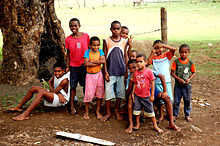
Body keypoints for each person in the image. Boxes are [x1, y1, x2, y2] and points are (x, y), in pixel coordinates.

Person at [125, 59, 180, 133]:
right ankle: (131, 124)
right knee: (130, 99)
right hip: (138, 93)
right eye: (130, 69)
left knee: (167, 98)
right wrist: (131, 82)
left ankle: (171, 123)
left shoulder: (148, 71)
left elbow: (162, 76)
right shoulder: (130, 77)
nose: (132, 70)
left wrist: (165, 91)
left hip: (151, 90)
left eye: (134, 67)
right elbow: (128, 92)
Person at [102, 20, 128, 122]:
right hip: (110, 71)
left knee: (120, 93)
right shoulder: (106, 40)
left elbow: (125, 56)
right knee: (108, 93)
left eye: (118, 29)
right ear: (111, 29)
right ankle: (108, 112)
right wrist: (105, 72)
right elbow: (104, 57)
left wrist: (126, 70)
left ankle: (116, 110)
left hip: (121, 71)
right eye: (114, 29)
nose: (116, 31)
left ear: (120, 30)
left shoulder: (124, 41)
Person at [131, 54, 163, 133]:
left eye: (141, 62)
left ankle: (155, 125)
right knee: (137, 111)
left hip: (146, 96)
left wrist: (152, 95)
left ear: (145, 62)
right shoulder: (136, 73)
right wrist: (132, 93)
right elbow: (135, 83)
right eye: (137, 62)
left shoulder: (149, 72)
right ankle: (137, 124)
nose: (139, 64)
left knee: (150, 111)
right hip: (137, 95)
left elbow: (152, 83)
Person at [147, 40, 176, 123]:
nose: (158, 50)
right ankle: (161, 114)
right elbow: (147, 63)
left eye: (160, 48)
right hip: (157, 81)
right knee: (159, 100)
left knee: (169, 98)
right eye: (156, 48)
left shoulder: (166, 55)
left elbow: (174, 49)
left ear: (163, 48)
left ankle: (170, 115)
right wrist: (152, 53)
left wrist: (164, 46)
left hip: (166, 81)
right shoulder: (154, 58)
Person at [65, 18, 90, 115]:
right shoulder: (68, 39)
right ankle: (71, 106)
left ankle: (86, 105)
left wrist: (89, 62)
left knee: (85, 86)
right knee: (73, 86)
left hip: (84, 65)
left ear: (79, 26)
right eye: (71, 26)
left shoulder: (86, 36)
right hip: (73, 65)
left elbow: (89, 50)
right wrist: (68, 66)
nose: (73, 27)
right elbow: (68, 54)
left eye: (75, 25)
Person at [171, 44, 196, 122]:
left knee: (187, 100)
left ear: (188, 52)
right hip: (178, 86)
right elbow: (172, 73)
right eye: (182, 52)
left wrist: (189, 79)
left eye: (185, 52)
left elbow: (193, 72)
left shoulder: (190, 63)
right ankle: (175, 114)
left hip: (187, 86)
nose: (183, 54)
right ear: (179, 52)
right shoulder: (176, 62)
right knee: (176, 101)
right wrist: (178, 79)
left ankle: (187, 115)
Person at [83, 36, 105, 120]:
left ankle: (98, 111)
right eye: (94, 45)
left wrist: (91, 61)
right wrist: (97, 63)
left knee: (99, 93)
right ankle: (86, 111)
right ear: (90, 45)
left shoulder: (100, 51)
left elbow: (103, 61)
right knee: (88, 93)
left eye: (97, 45)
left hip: (98, 75)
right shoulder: (87, 52)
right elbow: (86, 63)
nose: (96, 47)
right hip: (90, 75)